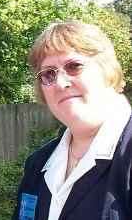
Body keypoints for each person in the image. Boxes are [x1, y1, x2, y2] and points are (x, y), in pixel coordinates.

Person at [13, 20, 132, 220]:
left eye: (74, 66)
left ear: (107, 70)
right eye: (48, 74)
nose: (60, 83)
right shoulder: (38, 164)